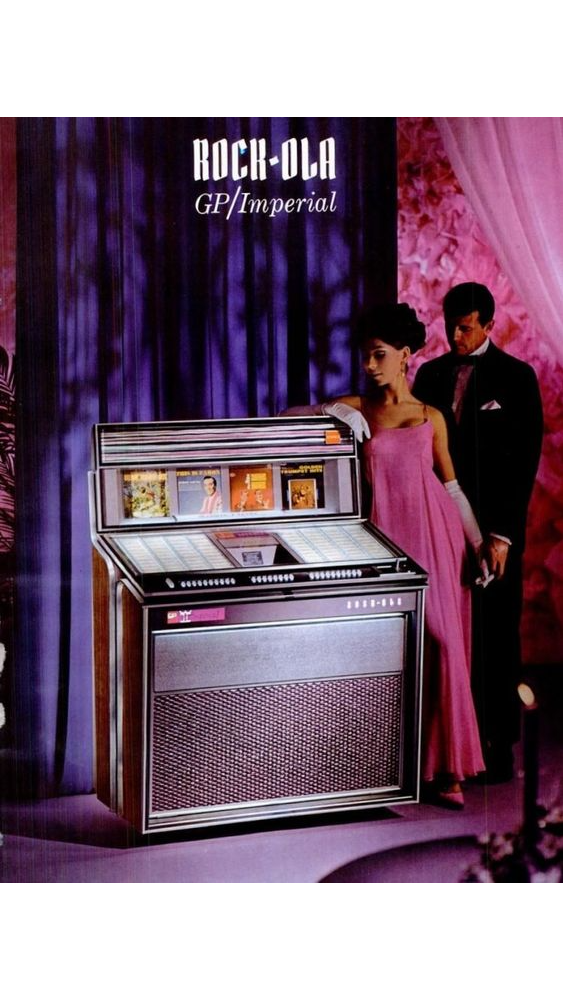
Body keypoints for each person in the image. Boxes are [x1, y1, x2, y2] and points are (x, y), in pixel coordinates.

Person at [283, 303, 485, 806]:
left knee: (442, 646)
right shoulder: (359, 407)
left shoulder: (429, 417)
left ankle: (448, 770)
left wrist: (479, 544)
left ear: (405, 355)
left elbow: (452, 488)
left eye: (379, 355)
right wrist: (336, 411)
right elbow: (287, 417)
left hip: (435, 538)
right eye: (365, 356)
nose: (369, 365)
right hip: (382, 538)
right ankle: (386, 769)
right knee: (385, 650)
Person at [413, 282, 543, 782]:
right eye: (450, 326)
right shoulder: (429, 374)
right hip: (440, 525)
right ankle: (451, 748)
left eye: (466, 327)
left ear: (490, 325)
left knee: (496, 638)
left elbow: (524, 462)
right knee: (450, 633)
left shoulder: (517, 377)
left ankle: (499, 747)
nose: (455, 336)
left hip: (494, 531)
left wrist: (502, 536)